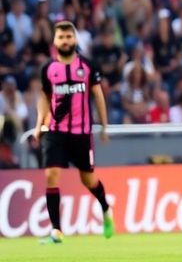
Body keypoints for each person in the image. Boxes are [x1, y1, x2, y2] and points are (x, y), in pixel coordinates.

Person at [31, 20, 114, 243]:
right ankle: (56, 230)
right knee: (51, 175)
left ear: (75, 39)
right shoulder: (48, 69)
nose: (65, 41)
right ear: (55, 41)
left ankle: (105, 208)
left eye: (69, 37)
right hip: (56, 131)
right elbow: (45, 98)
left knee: (88, 180)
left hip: (81, 133)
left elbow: (98, 96)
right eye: (61, 37)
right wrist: (39, 126)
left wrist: (104, 127)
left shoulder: (87, 66)